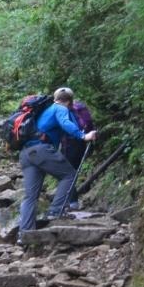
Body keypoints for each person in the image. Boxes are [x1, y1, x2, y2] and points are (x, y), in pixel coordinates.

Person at [18, 87, 98, 239]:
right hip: (41, 150)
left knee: (30, 196)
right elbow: (65, 123)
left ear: (55, 97)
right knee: (69, 175)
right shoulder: (60, 108)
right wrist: (84, 136)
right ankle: (55, 211)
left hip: (26, 153)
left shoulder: (42, 110)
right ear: (69, 101)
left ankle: (24, 234)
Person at [59, 100, 94, 210]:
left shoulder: (61, 110)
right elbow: (90, 124)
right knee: (73, 171)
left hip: (69, 144)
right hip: (83, 143)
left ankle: (72, 203)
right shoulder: (80, 106)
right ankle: (72, 200)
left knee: (67, 173)